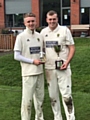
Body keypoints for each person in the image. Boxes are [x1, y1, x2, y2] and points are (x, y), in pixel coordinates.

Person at [40, 10, 75, 120]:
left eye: (54, 19)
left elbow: (72, 47)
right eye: (50, 19)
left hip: (63, 68)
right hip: (49, 68)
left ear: (57, 19)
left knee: (66, 96)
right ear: (46, 20)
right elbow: (42, 50)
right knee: (53, 96)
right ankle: (57, 117)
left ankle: (70, 118)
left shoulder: (64, 30)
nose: (52, 21)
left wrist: (67, 62)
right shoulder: (43, 32)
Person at [14, 13, 44, 120]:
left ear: (36, 21)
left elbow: (41, 53)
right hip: (28, 73)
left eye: (33, 21)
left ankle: (39, 118)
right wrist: (32, 61)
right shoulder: (20, 37)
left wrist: (42, 59)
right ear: (25, 23)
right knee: (27, 101)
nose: (31, 23)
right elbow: (16, 56)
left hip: (40, 72)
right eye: (29, 21)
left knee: (40, 99)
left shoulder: (40, 36)